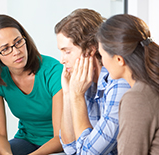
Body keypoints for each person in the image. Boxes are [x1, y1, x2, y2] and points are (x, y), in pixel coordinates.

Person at [0, 14, 64, 155]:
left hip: (61, 144)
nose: (16, 51)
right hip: (27, 140)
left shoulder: (53, 71)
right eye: (5, 49)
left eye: (18, 42)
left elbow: (60, 138)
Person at [55, 9, 130, 154]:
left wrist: (76, 97)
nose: (62, 60)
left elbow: (88, 153)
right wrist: (68, 93)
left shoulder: (118, 83)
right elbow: (70, 148)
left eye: (67, 51)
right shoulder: (84, 83)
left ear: (90, 49)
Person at [97, 14, 159, 155]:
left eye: (102, 55)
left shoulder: (137, 98)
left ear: (119, 59)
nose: (102, 63)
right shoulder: (151, 85)